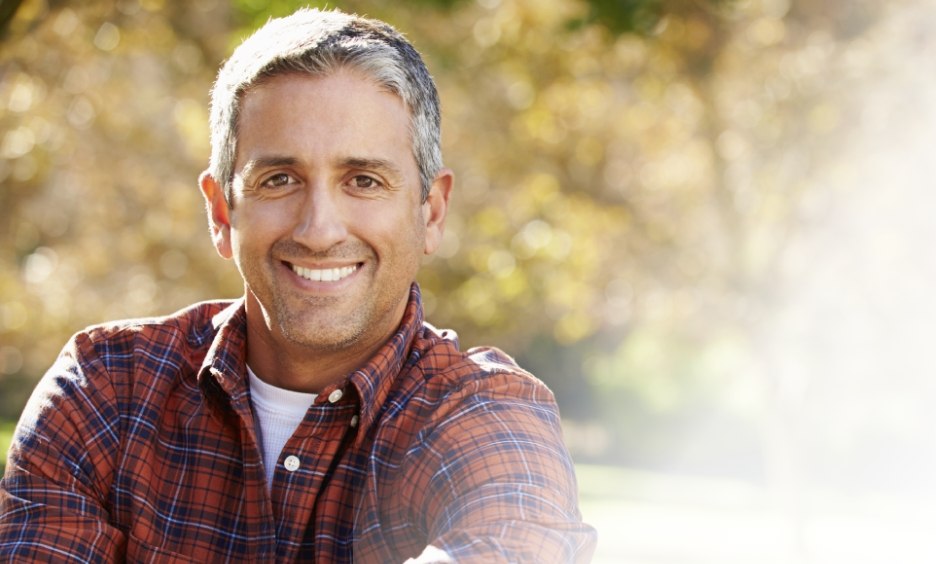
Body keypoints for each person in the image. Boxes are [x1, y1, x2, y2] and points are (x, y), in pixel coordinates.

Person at [0, 8, 595, 563]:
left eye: (363, 180)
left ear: (431, 212)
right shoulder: (104, 393)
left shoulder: (484, 418)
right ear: (221, 213)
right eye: (279, 179)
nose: (318, 230)